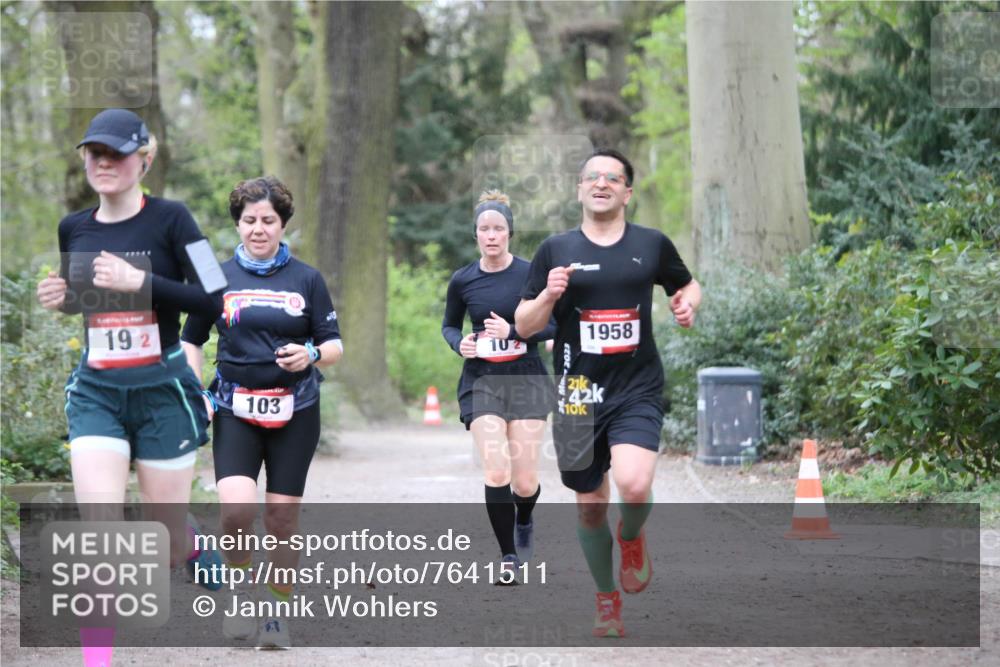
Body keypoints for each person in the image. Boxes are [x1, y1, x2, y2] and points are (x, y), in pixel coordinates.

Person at [35, 108, 226, 662]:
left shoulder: (173, 219)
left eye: (116, 153)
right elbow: (89, 300)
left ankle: (187, 541)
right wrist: (63, 300)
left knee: (162, 545)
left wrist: (141, 281)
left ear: (145, 158)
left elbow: (215, 295)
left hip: (161, 390)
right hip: (98, 391)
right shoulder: (75, 227)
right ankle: (98, 656)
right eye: (95, 153)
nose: (104, 162)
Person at [515, 149, 701, 637]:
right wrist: (549, 296)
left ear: (627, 191)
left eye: (612, 178)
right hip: (577, 390)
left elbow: (687, 286)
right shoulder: (554, 250)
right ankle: (606, 599)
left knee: (635, 486)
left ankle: (632, 535)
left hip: (636, 386)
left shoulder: (651, 244)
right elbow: (523, 324)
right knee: (590, 502)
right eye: (592, 177)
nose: (602, 183)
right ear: (579, 189)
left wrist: (687, 306)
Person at [182, 176, 343, 649]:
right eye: (249, 220)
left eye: (268, 220)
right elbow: (192, 339)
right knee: (236, 511)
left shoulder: (307, 279)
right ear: (237, 224)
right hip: (234, 407)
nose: (258, 228)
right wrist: (195, 390)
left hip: (296, 409)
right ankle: (239, 591)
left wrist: (311, 356)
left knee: (280, 519)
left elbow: (334, 345)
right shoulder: (217, 279)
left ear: (283, 223)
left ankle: (274, 612)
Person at [442, 190, 555, 583]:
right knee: (496, 470)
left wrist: (515, 331)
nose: (492, 236)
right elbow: (450, 325)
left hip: (526, 379)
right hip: (482, 380)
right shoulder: (463, 280)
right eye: (484, 229)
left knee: (525, 482)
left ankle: (524, 518)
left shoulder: (530, 275)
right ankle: (508, 557)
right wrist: (461, 344)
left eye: (499, 229)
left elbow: (555, 325)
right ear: (475, 235)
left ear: (510, 233)